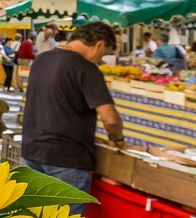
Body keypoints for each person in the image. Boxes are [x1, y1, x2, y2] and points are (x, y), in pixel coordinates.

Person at [21, 20, 126, 193]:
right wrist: (119, 139)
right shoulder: (87, 69)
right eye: (103, 54)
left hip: (33, 150)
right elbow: (111, 120)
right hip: (66, 159)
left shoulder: (42, 59)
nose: (100, 60)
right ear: (99, 45)